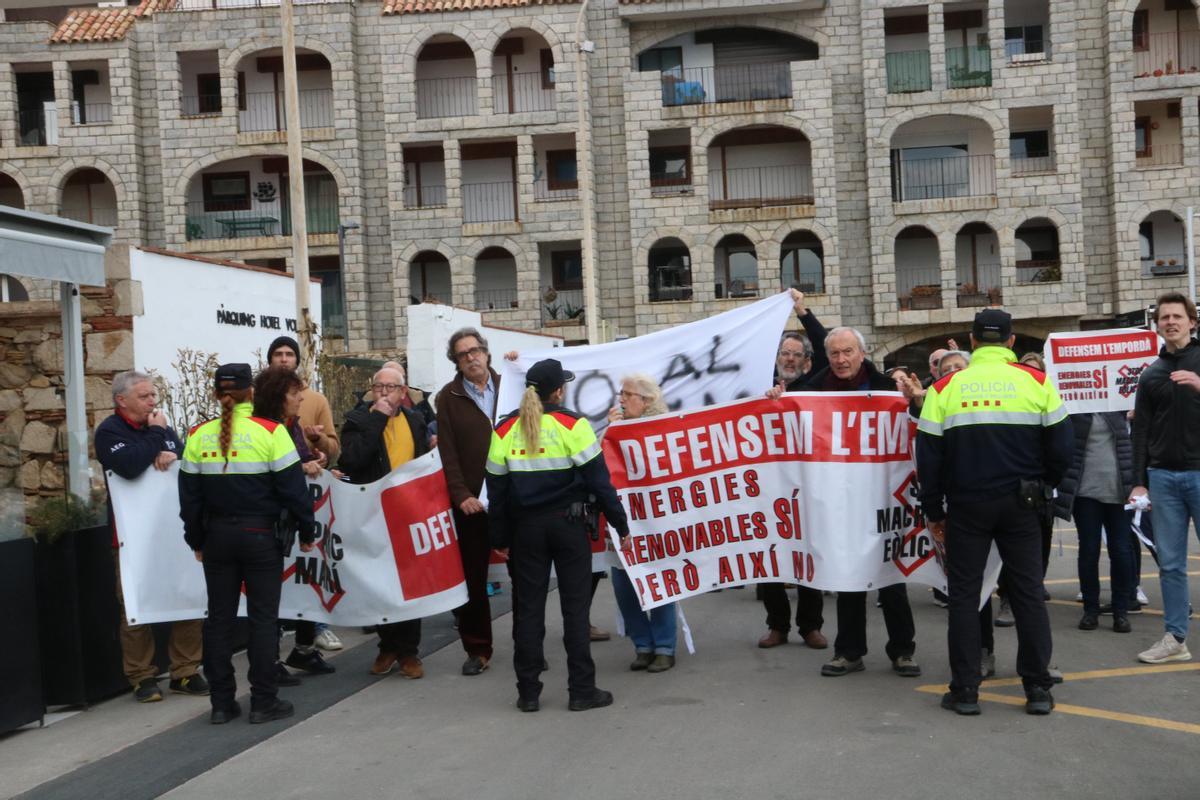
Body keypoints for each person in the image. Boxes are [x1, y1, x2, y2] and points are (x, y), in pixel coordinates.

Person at [917, 309, 1072, 716]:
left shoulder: (944, 387)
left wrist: (933, 509)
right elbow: (1062, 447)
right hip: (1023, 504)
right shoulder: (1037, 381)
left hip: (967, 504)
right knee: (1027, 595)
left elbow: (928, 458)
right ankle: (1037, 688)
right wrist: (1044, 483)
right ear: (1011, 342)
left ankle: (965, 690)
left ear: (972, 341)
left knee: (964, 597)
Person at [486, 359, 630, 712]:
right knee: (575, 610)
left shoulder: (504, 429)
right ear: (559, 391)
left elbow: (497, 491)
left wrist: (499, 538)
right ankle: (582, 691)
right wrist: (620, 524)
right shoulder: (573, 425)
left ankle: (528, 693)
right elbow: (600, 481)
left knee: (528, 611)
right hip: (569, 527)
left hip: (525, 531)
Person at [179, 363, 316, 725]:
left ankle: (221, 704)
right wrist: (307, 532)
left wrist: (196, 539)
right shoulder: (271, 432)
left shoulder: (197, 435)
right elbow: (295, 492)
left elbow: (189, 500)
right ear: (251, 393)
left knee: (218, 619)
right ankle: (263, 702)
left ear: (215, 394)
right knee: (263, 619)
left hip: (216, 538)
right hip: (260, 537)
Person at [797, 327, 920, 679]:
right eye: (834, 353)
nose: (841, 360)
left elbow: (917, 424)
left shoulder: (888, 388)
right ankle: (849, 652)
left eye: (847, 351)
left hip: (882, 499)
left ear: (861, 354)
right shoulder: (811, 391)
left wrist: (914, 401)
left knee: (891, 578)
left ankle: (903, 651)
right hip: (839, 503)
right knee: (848, 577)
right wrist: (776, 398)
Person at [96, 370, 207, 704]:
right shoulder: (110, 431)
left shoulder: (162, 429)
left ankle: (185, 670)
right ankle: (141, 676)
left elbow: (188, 463)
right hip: (132, 537)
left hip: (172, 532)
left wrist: (175, 455)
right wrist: (157, 436)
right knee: (135, 604)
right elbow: (128, 465)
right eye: (144, 396)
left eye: (153, 395)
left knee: (187, 596)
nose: (152, 402)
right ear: (121, 400)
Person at [339, 364, 431, 678]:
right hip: (372, 514)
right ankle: (387, 646)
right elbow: (351, 460)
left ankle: (409, 652)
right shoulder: (357, 421)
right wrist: (377, 418)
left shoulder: (415, 420)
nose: (384, 393)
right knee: (378, 584)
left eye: (391, 388)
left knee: (408, 583)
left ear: (403, 392)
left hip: (408, 512)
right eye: (379, 387)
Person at [252, 366, 338, 676]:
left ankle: (303, 649)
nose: (301, 398)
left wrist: (317, 462)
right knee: (271, 596)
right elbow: (271, 468)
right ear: (278, 397)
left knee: (304, 582)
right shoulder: (264, 429)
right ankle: (270, 662)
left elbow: (300, 459)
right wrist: (302, 468)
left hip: (290, 521)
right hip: (272, 523)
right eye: (294, 393)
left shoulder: (292, 424)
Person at [1130, 291, 1200, 664]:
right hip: (1163, 478)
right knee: (1170, 563)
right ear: (1157, 326)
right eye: (1164, 318)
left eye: (1177, 316)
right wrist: (1138, 480)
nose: (1170, 322)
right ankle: (1175, 639)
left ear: (1192, 322)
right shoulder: (1151, 374)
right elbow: (1140, 431)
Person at [758, 294, 829, 650]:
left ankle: (810, 626)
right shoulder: (761, 388)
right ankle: (777, 625)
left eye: (795, 355)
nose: (789, 359)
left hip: (807, 486)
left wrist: (803, 312)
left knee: (807, 555)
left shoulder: (816, 385)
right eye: (784, 354)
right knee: (771, 556)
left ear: (806, 362)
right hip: (769, 488)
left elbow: (825, 344)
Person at [266, 336, 344, 653]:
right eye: (278, 354)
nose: (285, 359)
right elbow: (276, 463)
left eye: (290, 354)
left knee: (309, 572)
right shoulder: (264, 415)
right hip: (275, 517)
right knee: (274, 585)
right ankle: (271, 655)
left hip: (301, 509)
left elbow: (330, 449)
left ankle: (306, 645)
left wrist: (319, 455)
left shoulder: (308, 407)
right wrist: (302, 466)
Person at [436, 328, 502, 676]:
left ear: (486, 353)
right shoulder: (448, 398)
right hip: (472, 503)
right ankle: (477, 648)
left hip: (511, 498)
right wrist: (461, 495)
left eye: (475, 350)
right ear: (456, 362)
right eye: (463, 354)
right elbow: (447, 453)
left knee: (526, 575)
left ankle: (529, 644)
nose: (471, 357)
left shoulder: (511, 385)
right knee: (473, 580)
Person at [606, 373, 678, 672]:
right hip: (623, 520)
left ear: (646, 401)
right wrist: (611, 433)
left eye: (627, 394)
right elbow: (602, 469)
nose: (621, 399)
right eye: (621, 393)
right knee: (623, 585)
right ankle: (642, 645)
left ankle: (664, 647)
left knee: (659, 583)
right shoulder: (613, 430)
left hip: (655, 521)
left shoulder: (663, 429)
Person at [1052, 411, 1136, 634]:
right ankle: (1090, 610)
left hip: (1119, 491)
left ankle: (1121, 611)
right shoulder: (1076, 411)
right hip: (1086, 492)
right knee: (1089, 550)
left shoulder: (1122, 410)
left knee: (1121, 550)